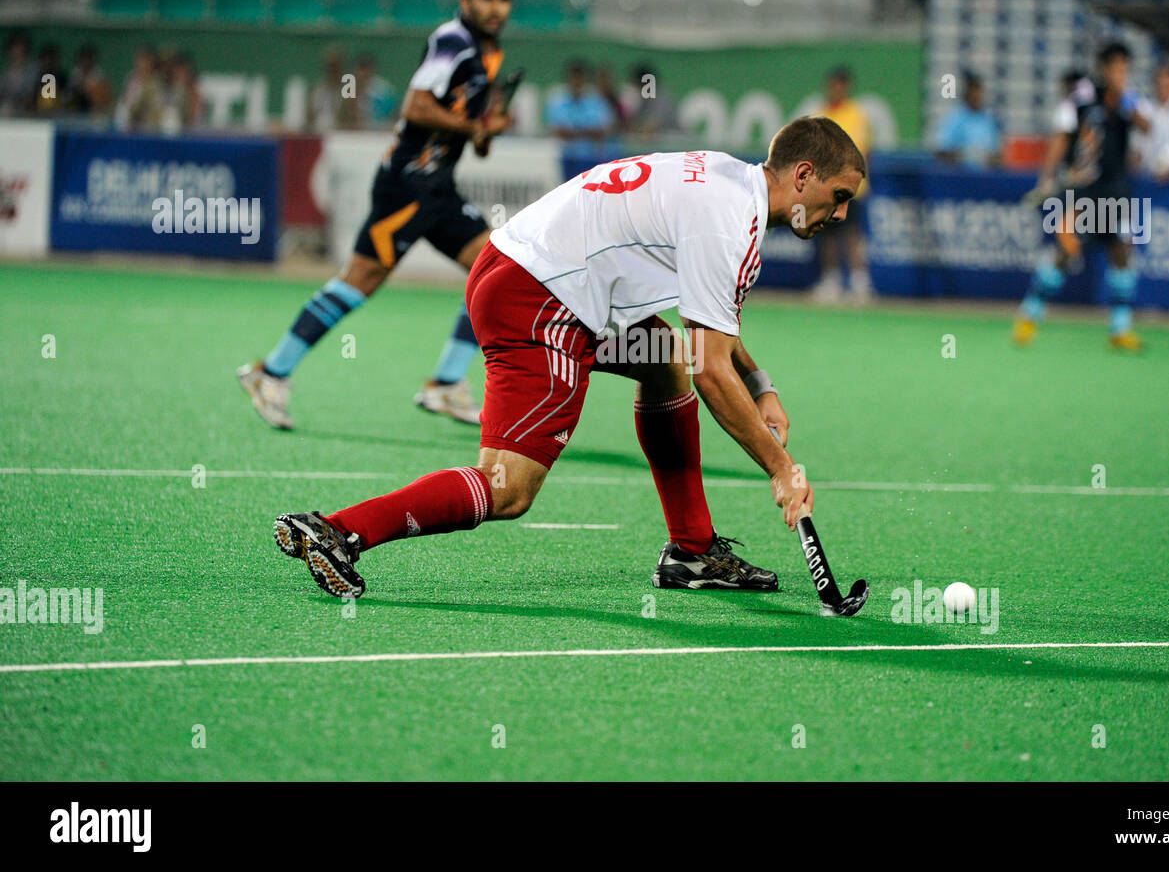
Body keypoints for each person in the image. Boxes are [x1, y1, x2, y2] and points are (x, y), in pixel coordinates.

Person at [272, 117, 866, 600]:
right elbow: (713, 369)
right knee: (508, 489)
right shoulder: (728, 222)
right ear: (804, 175)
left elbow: (714, 337)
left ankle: (692, 551)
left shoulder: (730, 182)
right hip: (543, 301)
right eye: (839, 198)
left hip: (533, 276)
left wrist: (761, 386)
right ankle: (341, 531)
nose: (840, 215)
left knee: (663, 361)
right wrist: (780, 469)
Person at [238, 0, 516, 429]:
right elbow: (416, 106)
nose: (495, 8)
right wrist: (474, 125)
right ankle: (271, 373)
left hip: (437, 188)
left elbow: (475, 142)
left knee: (493, 268)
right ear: (466, 0)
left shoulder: (488, 54)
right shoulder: (452, 41)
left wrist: (485, 132)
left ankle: (446, 385)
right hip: (407, 186)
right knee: (360, 280)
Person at [1013, 42, 1151, 351]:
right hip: (1086, 192)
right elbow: (1061, 139)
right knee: (1067, 253)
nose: (1121, 74)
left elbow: (1148, 127)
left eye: (1125, 68)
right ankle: (1028, 317)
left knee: (1121, 253)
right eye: (1116, 68)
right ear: (1103, 69)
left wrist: (1128, 104)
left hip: (1117, 191)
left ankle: (1120, 329)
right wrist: (1047, 176)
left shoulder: (1130, 101)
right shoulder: (1080, 100)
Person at [811, 65, 873, 302]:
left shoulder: (856, 115)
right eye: (832, 84)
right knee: (826, 234)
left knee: (852, 235)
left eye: (840, 84)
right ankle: (831, 281)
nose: (835, 89)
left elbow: (858, 150)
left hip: (850, 188)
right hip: (825, 188)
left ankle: (859, 283)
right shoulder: (819, 114)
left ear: (846, 87)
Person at [545, 58, 616, 166]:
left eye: (579, 78)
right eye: (574, 78)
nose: (576, 82)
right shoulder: (558, 102)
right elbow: (556, 131)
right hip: (566, 158)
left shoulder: (597, 101)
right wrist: (586, 132)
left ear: (585, 79)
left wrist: (574, 133)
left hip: (593, 158)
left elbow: (604, 130)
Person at [934, 71, 1000, 167]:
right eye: (973, 92)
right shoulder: (955, 118)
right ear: (967, 93)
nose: (976, 96)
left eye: (978, 92)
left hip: (984, 177)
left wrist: (988, 158)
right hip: (960, 176)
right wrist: (964, 155)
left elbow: (996, 153)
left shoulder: (988, 120)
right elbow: (941, 150)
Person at [114, 44, 165, 132]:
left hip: (151, 124)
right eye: (141, 60)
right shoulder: (131, 78)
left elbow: (157, 109)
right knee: (122, 111)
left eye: (146, 60)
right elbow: (127, 102)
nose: (143, 64)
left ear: (152, 62)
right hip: (131, 122)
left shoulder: (158, 81)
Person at [1, 31, 39, 117]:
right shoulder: (6, 71)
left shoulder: (33, 69)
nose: (17, 51)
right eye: (15, 48)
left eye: (21, 48)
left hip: (29, 113)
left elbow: (31, 94)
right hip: (8, 112)